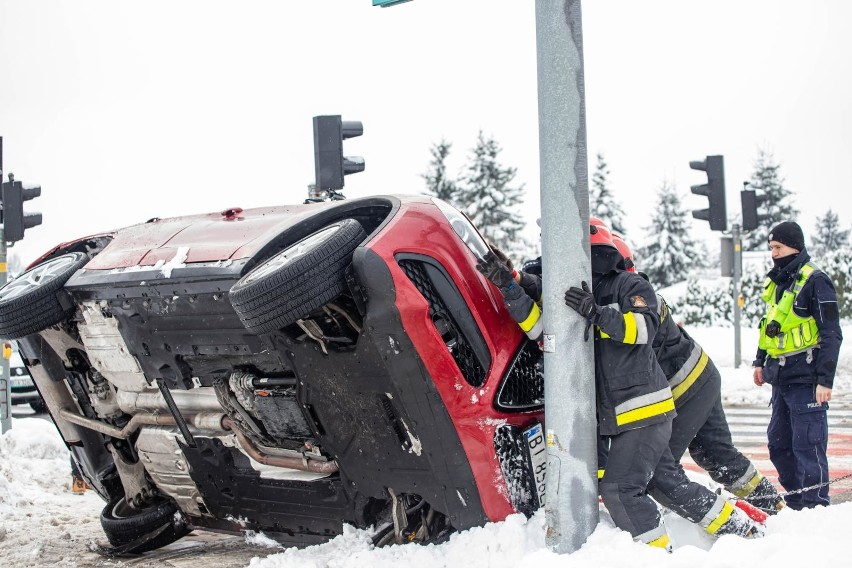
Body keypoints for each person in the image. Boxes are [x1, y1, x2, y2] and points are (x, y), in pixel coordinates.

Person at [478, 225, 758, 549]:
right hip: (615, 416)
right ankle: (736, 529)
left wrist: (597, 314)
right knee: (649, 483)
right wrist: (509, 284)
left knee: (626, 488)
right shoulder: (574, 297)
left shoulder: (630, 286)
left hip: (645, 411)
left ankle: (673, 550)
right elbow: (541, 326)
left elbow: (642, 330)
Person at [609, 230, 784, 514]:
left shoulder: (631, 298)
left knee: (657, 470)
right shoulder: (637, 291)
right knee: (716, 454)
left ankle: (725, 521)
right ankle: (771, 506)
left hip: (685, 388)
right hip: (701, 376)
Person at [753, 221, 843, 509]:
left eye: (777, 247)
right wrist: (759, 361)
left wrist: (825, 381)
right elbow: (769, 326)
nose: (773, 254)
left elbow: (832, 334)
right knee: (778, 445)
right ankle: (796, 502)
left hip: (806, 379)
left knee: (808, 447)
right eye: (771, 248)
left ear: (794, 246)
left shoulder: (816, 280)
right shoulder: (779, 282)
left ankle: (815, 505)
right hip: (780, 377)